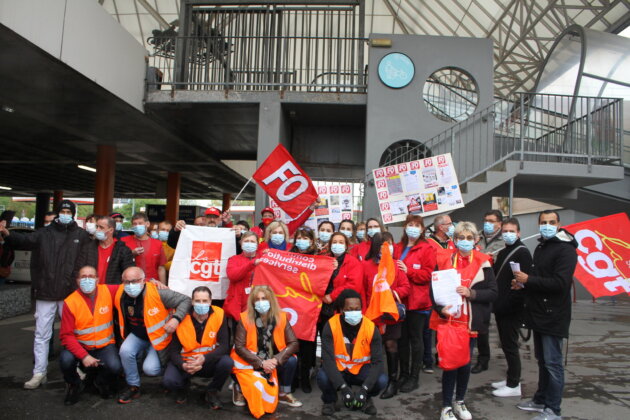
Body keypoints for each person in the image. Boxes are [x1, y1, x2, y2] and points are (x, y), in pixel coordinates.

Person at [0, 199, 90, 389]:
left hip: (70, 293)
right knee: (42, 334)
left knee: (73, 333)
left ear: (73, 214)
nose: (65, 214)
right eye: (63, 211)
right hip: (46, 291)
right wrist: (7, 233)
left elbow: (87, 259)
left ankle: (75, 367)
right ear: (58, 213)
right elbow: (24, 240)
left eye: (68, 211)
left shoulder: (81, 235)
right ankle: (39, 372)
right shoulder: (44, 233)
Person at [514, 210, 577, 420]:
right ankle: (540, 400)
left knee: (553, 363)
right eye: (543, 222)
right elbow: (539, 279)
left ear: (559, 224)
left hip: (554, 315)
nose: (547, 225)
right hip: (539, 313)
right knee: (542, 360)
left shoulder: (566, 250)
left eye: (551, 222)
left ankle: (553, 410)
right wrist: (523, 284)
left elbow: (560, 284)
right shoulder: (542, 246)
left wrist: (528, 279)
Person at [431, 221, 497, 420]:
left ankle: (459, 401)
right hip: (450, 323)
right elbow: (432, 291)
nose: (465, 241)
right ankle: (445, 406)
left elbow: (493, 292)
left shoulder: (484, 262)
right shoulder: (444, 260)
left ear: (476, 240)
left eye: (469, 238)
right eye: (461, 237)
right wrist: (440, 309)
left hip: (470, 325)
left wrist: (472, 293)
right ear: (455, 239)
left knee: (465, 363)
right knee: (450, 364)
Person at [114, 266, 191, 403]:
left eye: (135, 281)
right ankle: (133, 386)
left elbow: (185, 300)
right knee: (125, 351)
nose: (131, 285)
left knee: (151, 369)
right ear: (122, 282)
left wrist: (176, 319)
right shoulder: (120, 292)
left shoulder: (158, 292)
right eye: (127, 282)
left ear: (143, 281)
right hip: (139, 335)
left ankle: (169, 373)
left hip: (158, 338)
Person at [231, 285, 301, 418]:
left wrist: (275, 360)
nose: (261, 302)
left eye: (264, 298)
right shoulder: (245, 318)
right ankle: (239, 387)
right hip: (251, 361)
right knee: (229, 363)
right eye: (257, 299)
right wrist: (261, 363)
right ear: (252, 302)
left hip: (273, 360)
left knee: (291, 360)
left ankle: (284, 393)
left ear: (271, 300)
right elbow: (239, 347)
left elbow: (294, 343)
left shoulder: (281, 317)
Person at [317, 289, 387, 416]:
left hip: (361, 370)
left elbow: (378, 362)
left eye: (357, 309)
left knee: (381, 380)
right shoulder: (331, 326)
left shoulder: (371, 328)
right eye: (350, 309)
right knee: (323, 376)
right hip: (339, 368)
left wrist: (364, 390)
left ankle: (365, 399)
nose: (354, 312)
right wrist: (343, 388)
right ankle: (329, 400)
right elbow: (327, 360)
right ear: (342, 310)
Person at [59, 266, 121, 405]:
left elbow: (130, 282)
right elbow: (66, 335)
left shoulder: (107, 291)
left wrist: (151, 281)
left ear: (97, 279)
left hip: (105, 345)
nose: (87, 280)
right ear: (77, 280)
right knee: (65, 360)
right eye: (83, 277)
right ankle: (74, 384)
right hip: (81, 346)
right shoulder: (70, 302)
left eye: (91, 276)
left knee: (115, 366)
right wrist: (84, 355)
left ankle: (99, 382)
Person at [163, 286, 233, 409]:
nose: (201, 304)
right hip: (186, 362)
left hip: (207, 361)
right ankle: (182, 387)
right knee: (169, 381)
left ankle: (212, 391)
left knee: (227, 362)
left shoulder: (219, 314)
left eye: (205, 301)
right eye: (198, 301)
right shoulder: (180, 316)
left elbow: (224, 346)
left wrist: (204, 358)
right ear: (192, 302)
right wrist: (183, 365)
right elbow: (173, 351)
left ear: (210, 301)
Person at [362, 232, 410, 399]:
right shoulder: (366, 266)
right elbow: (362, 291)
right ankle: (371, 380)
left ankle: (392, 381)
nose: (386, 247)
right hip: (371, 315)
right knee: (370, 348)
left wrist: (392, 293)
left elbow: (406, 287)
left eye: (389, 243)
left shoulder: (396, 265)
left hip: (390, 314)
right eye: (383, 244)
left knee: (391, 346)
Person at [393, 215, 437, 396]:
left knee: (416, 340)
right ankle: (403, 373)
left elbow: (428, 275)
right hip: (399, 300)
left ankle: (414, 377)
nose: (413, 228)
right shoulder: (397, 247)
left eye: (417, 225)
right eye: (410, 225)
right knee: (401, 340)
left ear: (422, 229)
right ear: (404, 227)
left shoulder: (427, 248)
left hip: (418, 303)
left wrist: (408, 270)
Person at [490, 217, 532, 398]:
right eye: (505, 231)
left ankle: (514, 384)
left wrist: (512, 304)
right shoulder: (505, 251)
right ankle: (510, 378)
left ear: (518, 233)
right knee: (506, 344)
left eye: (511, 231)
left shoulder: (522, 252)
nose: (507, 234)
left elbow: (522, 283)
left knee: (510, 345)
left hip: (511, 308)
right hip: (501, 306)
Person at [289, 227, 327, 393]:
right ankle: (293, 378)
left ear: (312, 241)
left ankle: (305, 378)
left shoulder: (318, 259)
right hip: (291, 306)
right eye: (299, 237)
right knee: (292, 345)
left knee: (307, 347)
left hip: (310, 309)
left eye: (306, 238)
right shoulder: (287, 257)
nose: (302, 241)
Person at [472, 210, 505, 374]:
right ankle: (479, 357)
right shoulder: (477, 236)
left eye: (491, 221)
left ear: (499, 223)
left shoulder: (504, 239)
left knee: (487, 324)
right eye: (485, 220)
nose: (487, 224)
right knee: (479, 323)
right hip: (477, 285)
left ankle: (484, 358)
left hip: (494, 284)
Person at [320, 232, 364, 330]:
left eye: (341, 242)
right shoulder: (323, 259)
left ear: (346, 245)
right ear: (330, 245)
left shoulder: (353, 262)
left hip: (342, 308)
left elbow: (354, 286)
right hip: (323, 308)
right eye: (334, 242)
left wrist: (332, 296)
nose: (337, 244)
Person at [79, 215, 134, 285]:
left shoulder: (123, 250)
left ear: (111, 230)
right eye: (97, 227)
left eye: (101, 227)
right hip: (91, 291)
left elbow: (129, 275)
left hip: (112, 292)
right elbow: (78, 271)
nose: (97, 230)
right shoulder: (87, 248)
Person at [225, 232, 261, 322]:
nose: (249, 243)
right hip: (237, 306)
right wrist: (251, 264)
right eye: (246, 241)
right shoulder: (234, 259)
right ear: (241, 243)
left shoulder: (263, 258)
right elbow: (233, 276)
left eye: (252, 241)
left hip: (258, 304)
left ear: (257, 244)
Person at [122, 212, 167, 285]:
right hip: (131, 284)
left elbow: (161, 268)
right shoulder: (123, 241)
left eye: (140, 223)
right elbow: (118, 264)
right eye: (135, 224)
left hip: (153, 284)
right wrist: (131, 254)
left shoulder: (157, 243)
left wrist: (163, 286)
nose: (137, 226)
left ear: (147, 224)